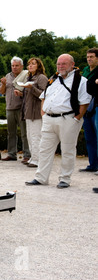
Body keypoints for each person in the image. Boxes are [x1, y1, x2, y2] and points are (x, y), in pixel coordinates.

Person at [25, 54, 91, 189]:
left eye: (64, 64)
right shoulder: (53, 79)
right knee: (44, 149)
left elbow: (84, 102)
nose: (60, 66)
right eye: (58, 64)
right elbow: (44, 96)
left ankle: (65, 179)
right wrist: (43, 114)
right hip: (49, 118)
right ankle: (41, 177)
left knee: (67, 150)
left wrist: (77, 118)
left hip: (68, 119)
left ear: (72, 65)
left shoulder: (81, 81)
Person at [19, 58, 48, 168]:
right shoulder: (29, 77)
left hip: (36, 111)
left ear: (38, 66)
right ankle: (33, 157)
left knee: (36, 136)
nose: (30, 66)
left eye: (33, 64)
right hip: (28, 111)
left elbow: (44, 94)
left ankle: (38, 159)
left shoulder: (41, 78)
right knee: (30, 136)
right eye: (29, 64)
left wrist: (32, 87)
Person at [0, 57, 31, 161]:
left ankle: (27, 154)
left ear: (21, 66)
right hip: (9, 108)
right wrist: (3, 84)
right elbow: (2, 92)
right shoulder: (8, 76)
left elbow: (28, 91)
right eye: (13, 65)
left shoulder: (26, 76)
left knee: (24, 133)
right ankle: (11, 154)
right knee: (11, 133)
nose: (14, 67)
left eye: (16, 65)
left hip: (21, 108)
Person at [79, 47, 98, 172]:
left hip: (96, 106)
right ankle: (92, 164)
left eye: (91, 57)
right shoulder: (85, 70)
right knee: (89, 138)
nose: (89, 59)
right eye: (87, 57)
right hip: (86, 106)